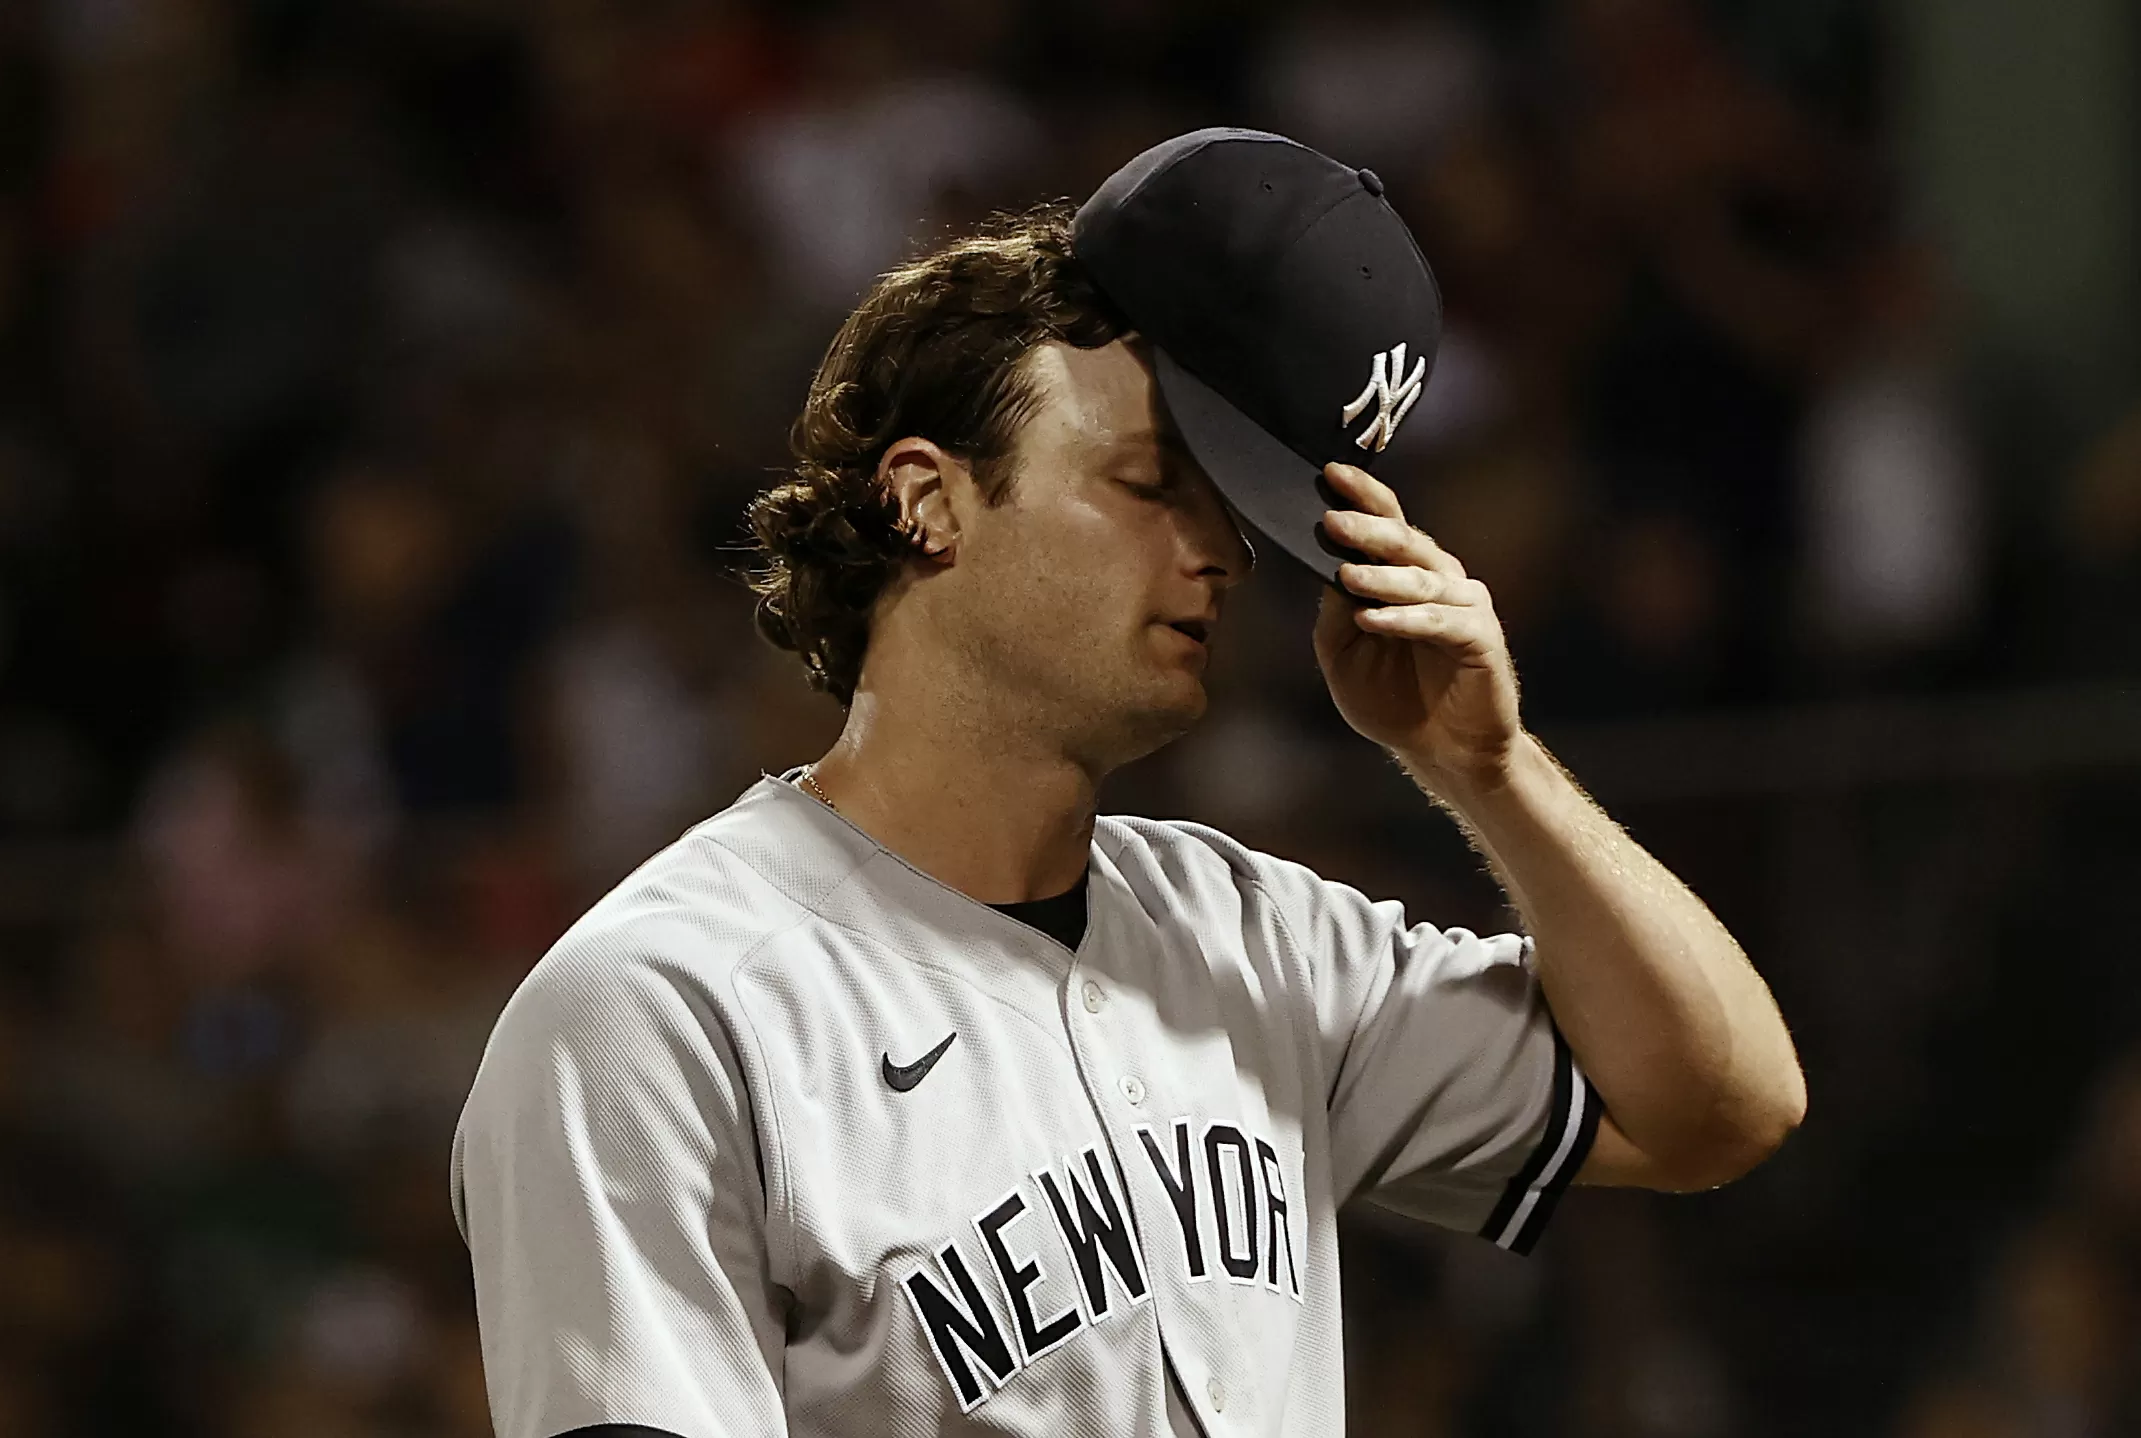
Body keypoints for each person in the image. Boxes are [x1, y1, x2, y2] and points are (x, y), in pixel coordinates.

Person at [449, 131, 1805, 1438]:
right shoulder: (661, 1007)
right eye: (1153, 482)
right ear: (926, 499)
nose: (1219, 555)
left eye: (1233, 512)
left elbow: (1721, 1105)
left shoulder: (1257, 941)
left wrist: (1491, 771)